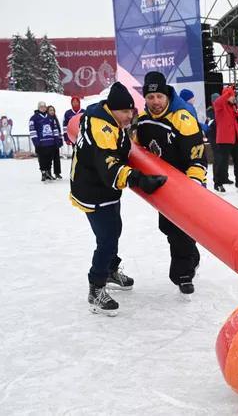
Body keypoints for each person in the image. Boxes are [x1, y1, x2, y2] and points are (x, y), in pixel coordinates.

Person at [70, 82, 167, 316]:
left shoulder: (111, 120)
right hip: (92, 191)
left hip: (107, 190)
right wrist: (138, 178)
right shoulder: (101, 128)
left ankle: (110, 269)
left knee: (115, 230)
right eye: (124, 111)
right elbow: (109, 166)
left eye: (130, 111)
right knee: (107, 239)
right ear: (112, 109)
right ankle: (96, 288)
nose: (128, 116)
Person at [135, 71, 208, 300]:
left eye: (159, 96)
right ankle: (192, 259)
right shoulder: (143, 120)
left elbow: (197, 157)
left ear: (166, 95)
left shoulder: (182, 118)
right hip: (162, 186)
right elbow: (138, 150)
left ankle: (183, 275)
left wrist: (193, 185)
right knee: (168, 228)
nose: (155, 101)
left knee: (180, 231)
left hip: (187, 184)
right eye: (150, 97)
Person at [214, 85, 238, 194]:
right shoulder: (220, 106)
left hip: (235, 138)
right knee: (222, 162)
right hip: (224, 139)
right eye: (232, 95)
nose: (234, 97)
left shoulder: (233, 107)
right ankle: (218, 183)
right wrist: (229, 91)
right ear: (226, 96)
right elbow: (218, 101)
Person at [205, 93, 232, 185]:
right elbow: (213, 123)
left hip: (223, 136)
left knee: (225, 157)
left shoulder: (223, 109)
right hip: (214, 137)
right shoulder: (211, 111)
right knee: (217, 157)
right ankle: (217, 178)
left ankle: (224, 177)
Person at [29, 101, 60, 182]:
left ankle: (48, 172)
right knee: (42, 158)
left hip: (50, 142)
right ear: (38, 108)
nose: (43, 108)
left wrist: (56, 139)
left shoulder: (50, 117)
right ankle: (43, 172)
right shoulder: (34, 118)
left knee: (49, 158)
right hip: (41, 143)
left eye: (44, 107)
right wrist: (36, 142)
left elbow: (55, 129)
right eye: (41, 107)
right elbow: (32, 131)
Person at [47, 105, 63, 179]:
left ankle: (57, 172)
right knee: (49, 158)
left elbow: (58, 130)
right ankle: (48, 172)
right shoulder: (46, 119)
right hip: (49, 141)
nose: (52, 111)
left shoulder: (55, 120)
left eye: (53, 110)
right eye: (50, 110)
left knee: (57, 158)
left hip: (56, 141)